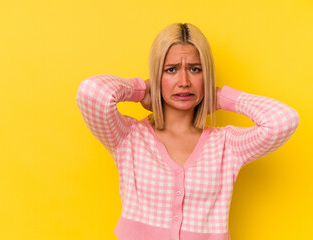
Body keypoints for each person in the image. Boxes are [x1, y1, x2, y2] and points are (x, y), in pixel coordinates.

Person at [76, 23, 299, 240]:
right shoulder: (128, 137)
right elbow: (92, 92)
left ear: (206, 76)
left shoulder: (226, 145)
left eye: (195, 69)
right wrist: (141, 90)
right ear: (157, 76)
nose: (184, 82)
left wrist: (222, 97)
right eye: (171, 70)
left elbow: (283, 121)